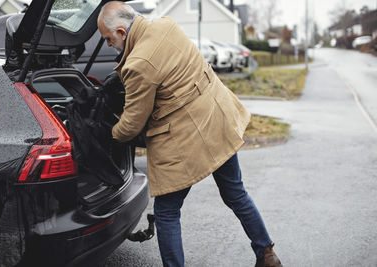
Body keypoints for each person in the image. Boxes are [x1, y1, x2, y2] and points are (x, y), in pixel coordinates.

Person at [97, 2, 282, 267]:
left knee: (167, 212)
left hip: (184, 140)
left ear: (122, 33)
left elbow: (132, 125)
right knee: (236, 193)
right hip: (217, 119)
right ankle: (267, 253)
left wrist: (109, 134)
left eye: (108, 38)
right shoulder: (166, 24)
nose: (107, 45)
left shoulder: (138, 64)